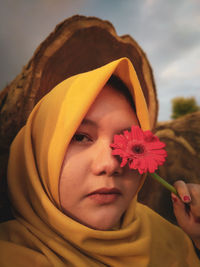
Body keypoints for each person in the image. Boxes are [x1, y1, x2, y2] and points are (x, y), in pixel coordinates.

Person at [0, 57, 200, 266]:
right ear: (38, 152)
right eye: (80, 137)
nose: (110, 165)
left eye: (124, 141)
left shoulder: (172, 239)